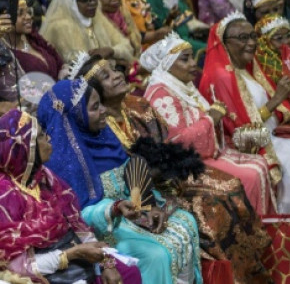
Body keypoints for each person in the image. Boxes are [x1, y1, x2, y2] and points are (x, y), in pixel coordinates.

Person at [73, 52, 272, 284]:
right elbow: (125, 179)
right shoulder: (97, 127)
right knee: (212, 209)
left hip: (168, 179)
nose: (117, 76)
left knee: (232, 187)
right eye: (106, 76)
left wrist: (172, 169)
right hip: (147, 193)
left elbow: (167, 146)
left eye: (115, 70)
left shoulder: (138, 104)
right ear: (93, 92)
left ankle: (248, 275)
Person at [38, 79, 203, 284]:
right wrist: (114, 209)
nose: (105, 111)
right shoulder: (63, 161)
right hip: (104, 227)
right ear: (75, 116)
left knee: (187, 221)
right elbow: (78, 217)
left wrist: (149, 205)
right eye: (95, 107)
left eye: (101, 104)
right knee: (157, 254)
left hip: (130, 210)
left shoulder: (103, 136)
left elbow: (130, 169)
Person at [198, 12, 290, 262]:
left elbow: (275, 108)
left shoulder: (248, 68)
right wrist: (275, 101)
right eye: (242, 38)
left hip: (271, 133)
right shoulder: (221, 75)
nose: (251, 42)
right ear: (224, 43)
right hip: (252, 144)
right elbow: (240, 133)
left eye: (252, 36)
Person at [0, 109, 142, 284]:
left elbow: (80, 229)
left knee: (128, 272)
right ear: (25, 147)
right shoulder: (6, 195)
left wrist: (106, 263)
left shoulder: (46, 178)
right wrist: (72, 254)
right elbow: (16, 267)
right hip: (41, 274)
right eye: (42, 136)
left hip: (75, 258)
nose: (49, 139)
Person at [141, 33, 275, 215]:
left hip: (203, 155)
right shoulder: (161, 94)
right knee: (250, 175)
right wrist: (211, 117)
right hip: (183, 169)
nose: (192, 64)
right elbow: (178, 144)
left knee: (259, 164)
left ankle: (261, 233)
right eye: (185, 59)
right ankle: (249, 236)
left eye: (191, 57)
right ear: (167, 64)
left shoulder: (182, 87)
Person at [39, 0, 135, 63]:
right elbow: (81, 65)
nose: (92, 3)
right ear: (70, 2)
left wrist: (111, 51)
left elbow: (127, 46)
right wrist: (116, 59)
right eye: (85, 0)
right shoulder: (61, 26)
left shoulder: (96, 17)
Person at [0, 0, 61, 78]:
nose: (28, 17)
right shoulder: (4, 52)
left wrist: (63, 70)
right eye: (20, 14)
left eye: (28, 12)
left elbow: (56, 56)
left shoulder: (31, 36)